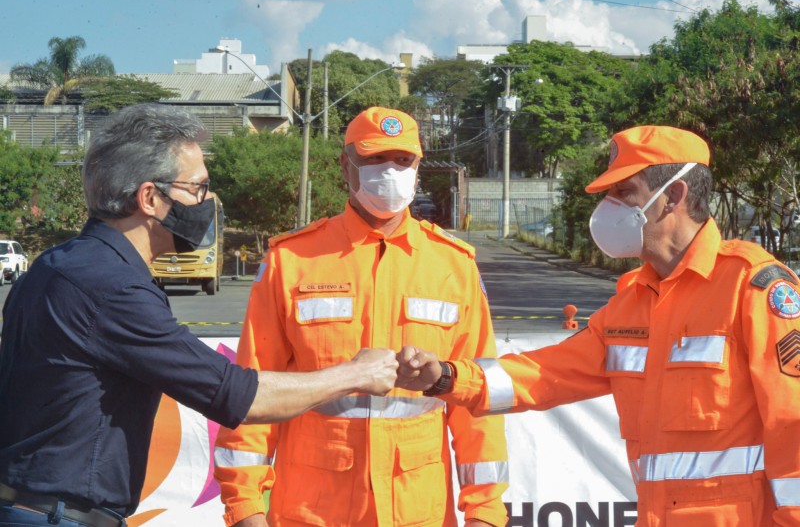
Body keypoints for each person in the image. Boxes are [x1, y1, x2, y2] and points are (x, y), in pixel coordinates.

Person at [0, 103, 399, 527]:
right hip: (58, 516)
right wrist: (356, 373)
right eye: (197, 188)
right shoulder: (112, 288)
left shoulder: (57, 264)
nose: (205, 202)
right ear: (150, 198)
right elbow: (239, 396)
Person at [398, 125, 800, 525]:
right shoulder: (633, 300)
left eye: (624, 192)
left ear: (673, 196)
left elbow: (793, 425)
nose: (609, 207)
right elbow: (545, 374)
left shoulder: (752, 287)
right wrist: (446, 378)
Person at [214, 107, 509, 527]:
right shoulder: (292, 260)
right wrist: (245, 508)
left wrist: (485, 512)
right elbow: (252, 393)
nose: (390, 171)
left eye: (402, 160)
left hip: (416, 511)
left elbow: (477, 398)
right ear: (345, 166)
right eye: (374, 159)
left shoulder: (453, 265)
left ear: (418, 167)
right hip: (311, 512)